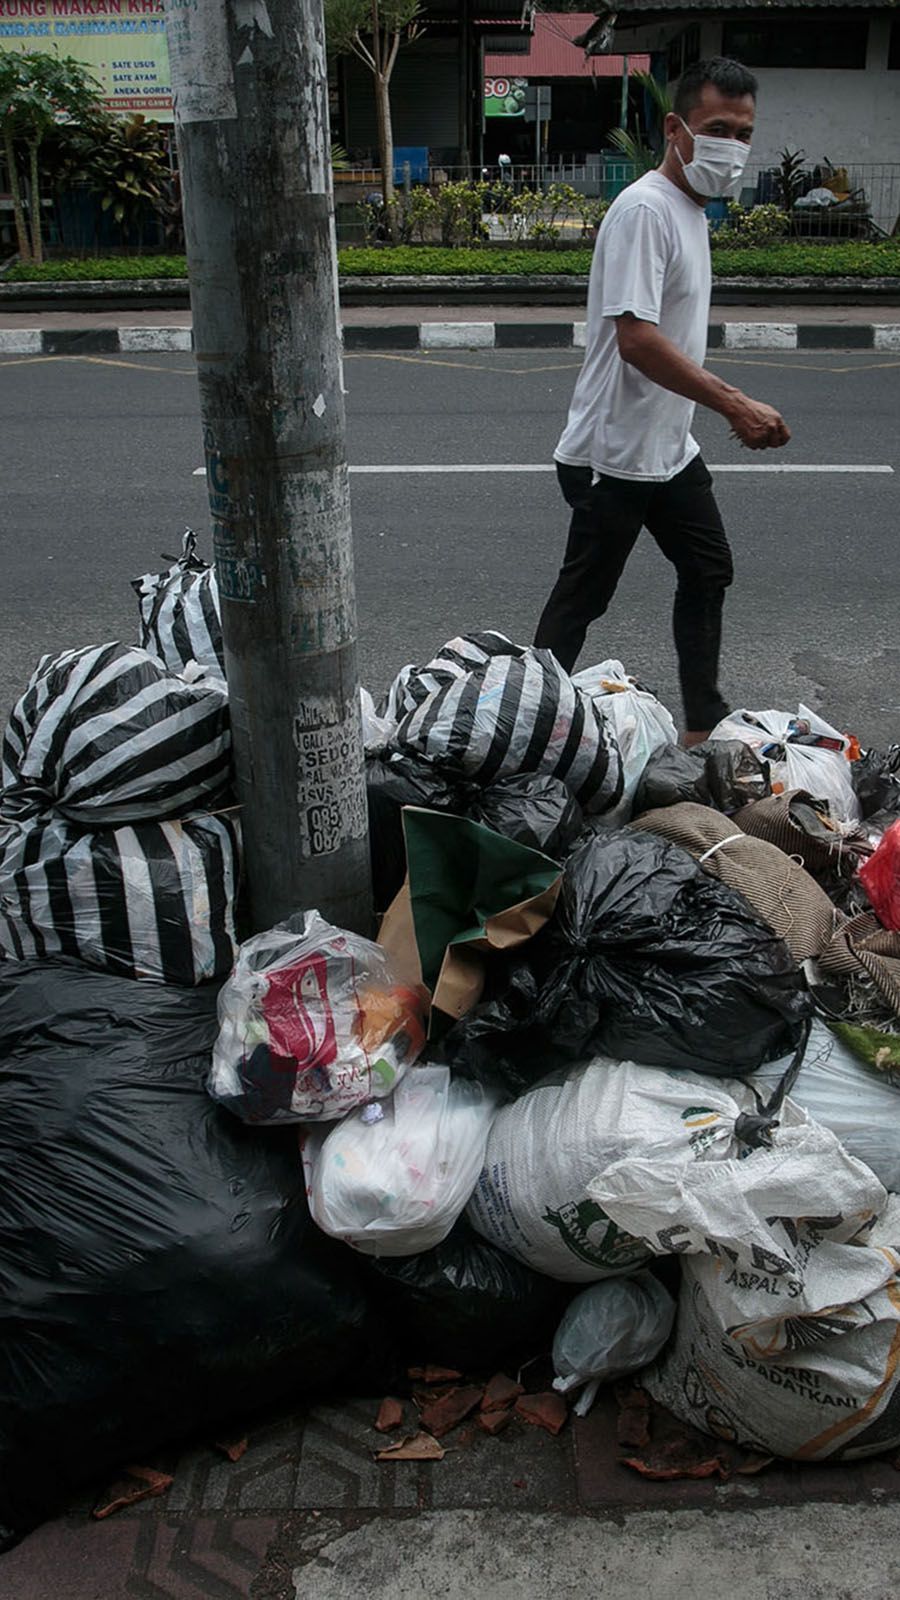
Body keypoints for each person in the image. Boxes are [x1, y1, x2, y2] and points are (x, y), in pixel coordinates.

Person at [534, 56, 790, 743]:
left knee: (708, 568)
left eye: (743, 133)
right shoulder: (645, 209)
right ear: (675, 128)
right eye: (717, 129)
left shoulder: (691, 211)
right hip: (611, 452)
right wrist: (735, 403)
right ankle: (521, 724)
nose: (732, 147)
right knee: (582, 602)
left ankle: (702, 723)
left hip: (666, 448)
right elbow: (637, 340)